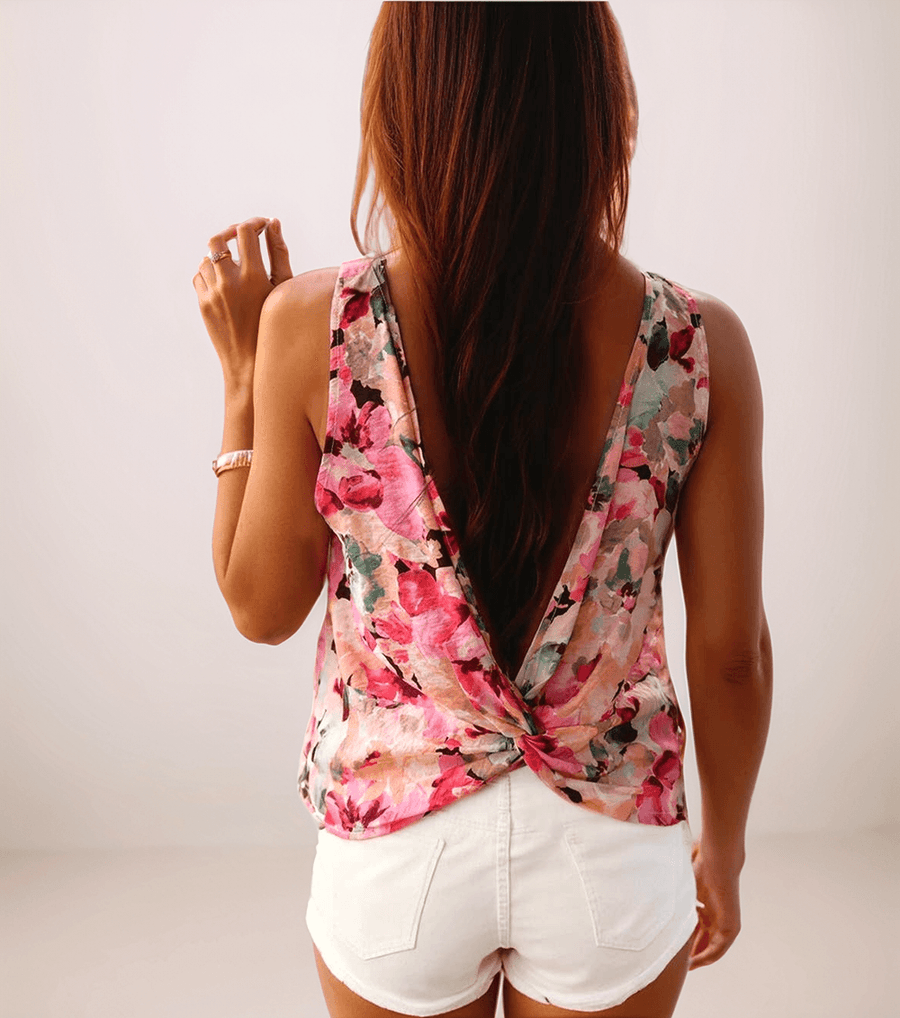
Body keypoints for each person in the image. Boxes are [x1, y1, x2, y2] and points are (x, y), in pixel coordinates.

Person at [192, 4, 772, 1017]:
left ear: (400, 110)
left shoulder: (313, 325)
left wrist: (244, 377)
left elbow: (260, 605)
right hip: (609, 847)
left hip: (398, 850)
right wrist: (721, 845)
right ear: (599, 107)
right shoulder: (696, 343)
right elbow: (731, 654)